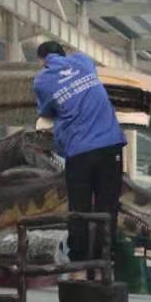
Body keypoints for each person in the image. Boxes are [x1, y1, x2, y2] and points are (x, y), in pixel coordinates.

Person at [32, 40, 126, 264]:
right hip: (110, 144)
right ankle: (105, 259)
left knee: (79, 208)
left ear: (42, 61)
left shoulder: (42, 80)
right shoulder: (83, 61)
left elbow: (46, 111)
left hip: (79, 150)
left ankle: (78, 261)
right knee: (108, 206)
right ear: (63, 53)